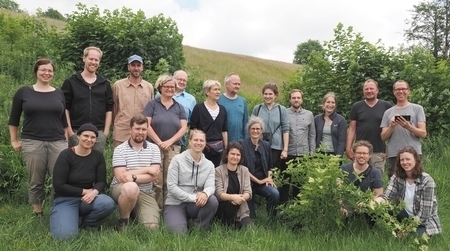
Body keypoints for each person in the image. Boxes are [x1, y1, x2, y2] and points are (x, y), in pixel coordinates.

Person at [8, 58, 68, 218]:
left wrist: (69, 139)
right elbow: (13, 119)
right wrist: (14, 140)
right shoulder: (24, 92)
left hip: (58, 142)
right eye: (43, 70)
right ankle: (38, 212)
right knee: (36, 180)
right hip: (32, 142)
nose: (47, 73)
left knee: (59, 179)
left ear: (53, 74)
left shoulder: (58, 93)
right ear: (36, 71)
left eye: (50, 71)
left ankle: (57, 210)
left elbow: (64, 120)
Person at [50, 124, 116, 240]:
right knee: (65, 237)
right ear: (78, 136)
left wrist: (94, 192)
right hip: (65, 199)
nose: (89, 140)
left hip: (86, 200)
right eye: (86, 136)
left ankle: (88, 222)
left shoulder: (97, 156)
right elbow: (59, 185)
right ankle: (63, 216)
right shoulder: (66, 155)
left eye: (93, 137)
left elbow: (101, 181)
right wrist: (85, 191)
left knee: (108, 203)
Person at [110, 114, 162, 231]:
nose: (140, 132)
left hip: (145, 191)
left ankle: (133, 209)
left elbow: (153, 176)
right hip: (121, 188)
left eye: (144, 129)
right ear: (130, 130)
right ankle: (124, 221)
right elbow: (120, 177)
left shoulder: (154, 149)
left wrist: (133, 176)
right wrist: (146, 170)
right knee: (131, 188)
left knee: (152, 228)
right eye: (137, 129)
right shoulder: (120, 150)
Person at [143, 74, 187, 210]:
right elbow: (146, 124)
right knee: (156, 180)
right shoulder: (152, 104)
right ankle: (156, 209)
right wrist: (159, 142)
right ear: (160, 88)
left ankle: (169, 209)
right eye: (167, 86)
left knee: (170, 180)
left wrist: (169, 142)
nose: (170, 89)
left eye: (172, 87)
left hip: (173, 148)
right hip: (154, 147)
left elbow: (184, 128)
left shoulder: (179, 107)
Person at [375, 147, 441, 236]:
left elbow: (424, 215)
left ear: (416, 160)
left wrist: (406, 230)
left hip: (422, 220)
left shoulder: (427, 181)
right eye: (402, 160)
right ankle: (397, 228)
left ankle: (409, 231)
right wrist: (372, 203)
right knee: (382, 208)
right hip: (404, 215)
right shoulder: (397, 177)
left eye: (408, 159)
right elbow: (386, 196)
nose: (405, 162)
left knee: (412, 237)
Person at [164, 130, 219, 234]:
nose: (198, 143)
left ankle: (198, 228)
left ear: (205, 143)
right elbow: (171, 187)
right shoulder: (177, 160)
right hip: (176, 203)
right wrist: (193, 197)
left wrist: (205, 193)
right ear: (189, 141)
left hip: (194, 204)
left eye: (201, 140)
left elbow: (211, 186)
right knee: (179, 234)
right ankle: (180, 221)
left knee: (212, 200)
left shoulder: (209, 165)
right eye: (195, 140)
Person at [61, 46, 113, 153]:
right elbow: (65, 108)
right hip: (77, 131)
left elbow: (109, 108)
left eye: (96, 60)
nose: (93, 62)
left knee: (94, 166)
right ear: (84, 58)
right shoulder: (71, 82)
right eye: (91, 59)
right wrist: (70, 132)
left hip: (98, 133)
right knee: (76, 165)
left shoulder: (104, 84)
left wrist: (105, 133)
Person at [381, 80, 426, 177]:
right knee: (395, 184)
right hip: (394, 154)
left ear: (408, 91)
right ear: (394, 92)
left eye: (403, 89)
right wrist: (391, 126)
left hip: (414, 153)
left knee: (416, 181)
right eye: (398, 89)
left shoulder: (418, 108)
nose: (401, 91)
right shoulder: (388, 112)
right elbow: (383, 137)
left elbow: (423, 133)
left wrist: (408, 126)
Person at [346, 79, 392, 172]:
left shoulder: (386, 106)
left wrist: (390, 149)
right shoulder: (357, 106)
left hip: (378, 151)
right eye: (366, 89)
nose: (369, 91)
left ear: (377, 90)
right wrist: (348, 148)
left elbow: (392, 128)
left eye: (372, 88)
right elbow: (352, 129)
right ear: (363, 91)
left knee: (376, 180)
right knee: (358, 179)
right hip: (360, 151)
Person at [279, 89, 316, 203]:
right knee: (285, 183)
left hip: (303, 155)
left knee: (299, 185)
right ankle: (283, 210)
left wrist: (312, 154)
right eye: (294, 98)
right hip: (287, 153)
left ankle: (297, 212)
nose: (296, 100)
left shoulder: (309, 114)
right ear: (290, 99)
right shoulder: (284, 112)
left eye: (298, 98)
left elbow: (312, 135)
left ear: (302, 99)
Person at [240, 116, 279, 219]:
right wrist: (259, 181)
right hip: (247, 183)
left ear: (262, 131)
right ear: (249, 130)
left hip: (262, 182)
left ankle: (271, 220)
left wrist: (269, 178)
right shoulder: (242, 145)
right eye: (253, 129)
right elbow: (242, 170)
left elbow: (270, 166)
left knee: (274, 193)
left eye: (258, 129)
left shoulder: (266, 145)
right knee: (251, 218)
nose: (255, 131)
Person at [112, 54, 154, 148]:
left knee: (140, 162)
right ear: (128, 67)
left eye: (138, 65)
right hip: (122, 133)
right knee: (120, 161)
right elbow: (113, 109)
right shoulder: (118, 86)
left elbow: (151, 112)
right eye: (133, 65)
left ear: (142, 67)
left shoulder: (149, 87)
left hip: (141, 133)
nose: (136, 68)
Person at [340, 141, 383, 218]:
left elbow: (378, 194)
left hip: (365, 206)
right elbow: (338, 190)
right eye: (359, 153)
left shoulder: (375, 172)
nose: (361, 155)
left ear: (369, 155)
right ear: (354, 154)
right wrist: (340, 206)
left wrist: (366, 204)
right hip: (346, 205)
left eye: (364, 153)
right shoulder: (344, 168)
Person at [251, 83, 289, 169]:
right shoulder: (257, 108)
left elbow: (286, 130)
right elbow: (251, 128)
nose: (267, 96)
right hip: (259, 145)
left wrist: (285, 149)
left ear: (275, 95)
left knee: (274, 170)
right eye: (265, 94)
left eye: (270, 94)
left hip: (276, 146)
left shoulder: (282, 110)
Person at [190, 80, 228, 167]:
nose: (218, 92)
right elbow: (193, 128)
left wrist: (226, 148)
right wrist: (192, 146)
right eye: (215, 89)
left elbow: (224, 130)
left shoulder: (222, 109)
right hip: (202, 147)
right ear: (207, 92)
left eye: (219, 89)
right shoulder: (198, 108)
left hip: (218, 150)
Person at [215, 142, 252, 228]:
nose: (235, 157)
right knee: (231, 207)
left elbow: (248, 192)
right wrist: (233, 197)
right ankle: (225, 224)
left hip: (241, 207)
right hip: (224, 207)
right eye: (232, 154)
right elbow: (219, 194)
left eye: (238, 155)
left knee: (250, 230)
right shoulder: (218, 171)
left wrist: (239, 199)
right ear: (227, 155)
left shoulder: (245, 170)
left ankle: (234, 223)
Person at [218, 73, 249, 142]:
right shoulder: (219, 100)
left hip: (239, 143)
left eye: (239, 84)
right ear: (226, 84)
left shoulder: (242, 101)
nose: (237, 86)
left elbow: (246, 123)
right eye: (235, 84)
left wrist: (245, 141)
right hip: (222, 143)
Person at [314, 92, 347, 156]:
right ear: (323, 104)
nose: (330, 104)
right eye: (328, 102)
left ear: (335, 104)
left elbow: (342, 141)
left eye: (333, 102)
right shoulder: (317, 119)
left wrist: (338, 156)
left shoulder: (341, 120)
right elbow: (313, 137)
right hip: (319, 154)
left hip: (334, 155)